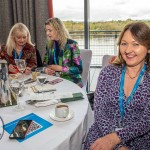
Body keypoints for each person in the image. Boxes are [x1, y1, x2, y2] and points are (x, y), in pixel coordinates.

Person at [84, 22, 150, 150]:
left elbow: (146, 122)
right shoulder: (108, 72)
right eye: (124, 43)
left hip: (139, 137)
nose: (128, 50)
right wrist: (116, 144)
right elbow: (99, 112)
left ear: (148, 48)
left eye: (136, 44)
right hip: (104, 131)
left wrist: (116, 138)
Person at [42, 17, 83, 87]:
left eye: (50, 30)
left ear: (58, 29)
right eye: (46, 30)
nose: (47, 33)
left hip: (71, 82)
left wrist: (61, 68)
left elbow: (79, 69)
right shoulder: (49, 45)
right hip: (54, 81)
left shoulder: (72, 45)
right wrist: (46, 70)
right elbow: (45, 64)